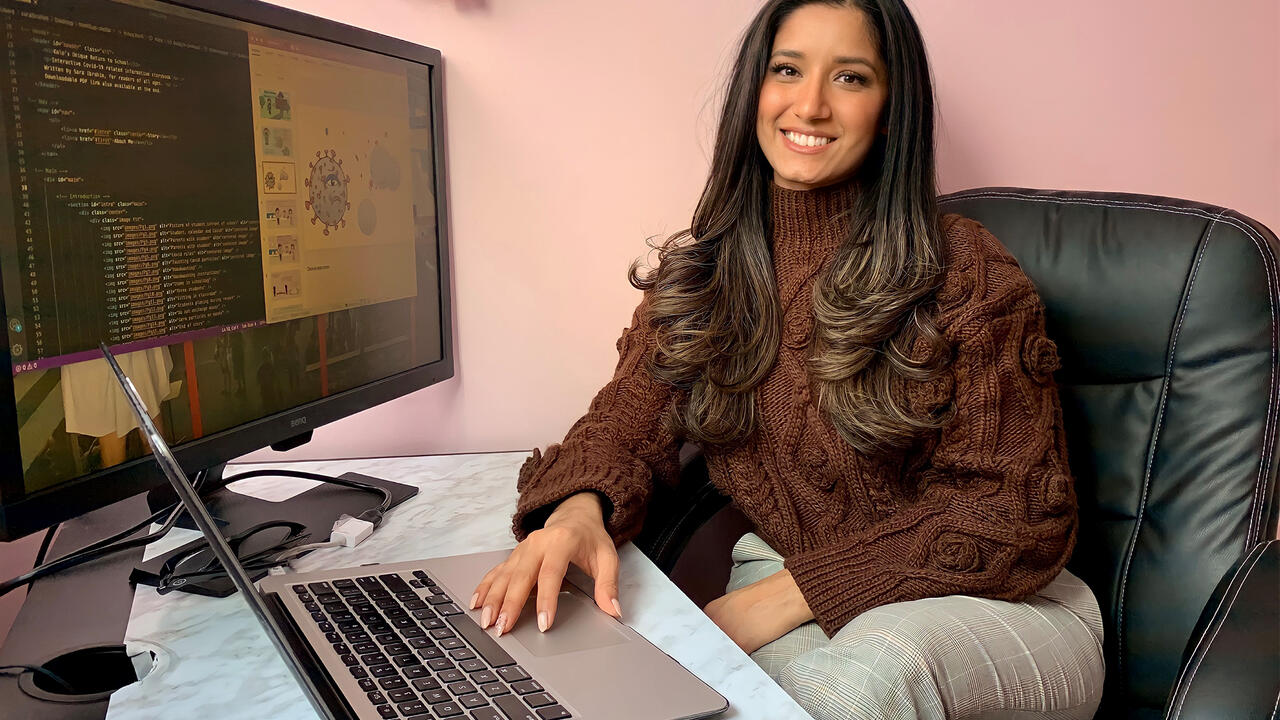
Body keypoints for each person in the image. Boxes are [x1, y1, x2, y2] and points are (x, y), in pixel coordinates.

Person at [472, 1, 1105, 718]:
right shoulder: (706, 275)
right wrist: (577, 514)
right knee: (749, 704)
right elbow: (622, 424)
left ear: (893, 111)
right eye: (788, 70)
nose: (810, 104)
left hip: (1003, 606)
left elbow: (1016, 515)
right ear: (756, 92)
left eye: (851, 78)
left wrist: (785, 596)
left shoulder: (965, 271)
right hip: (795, 587)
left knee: (862, 679)